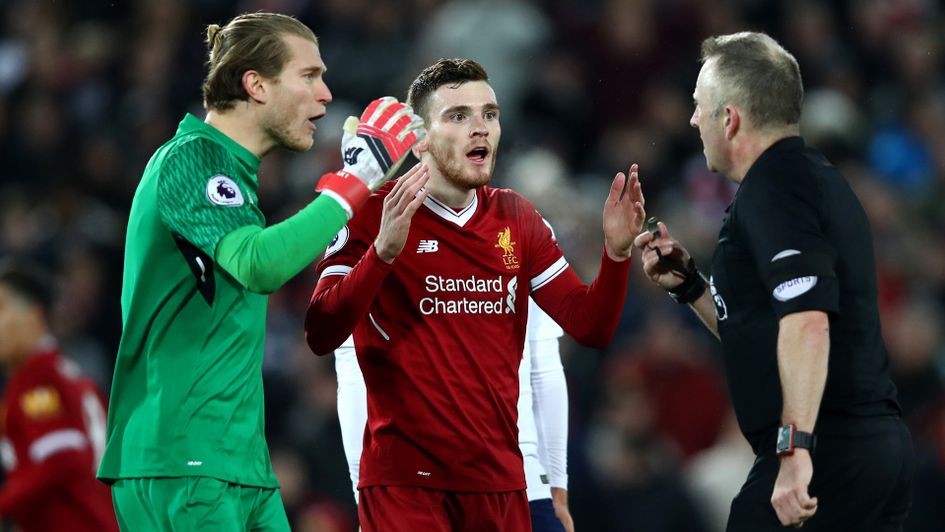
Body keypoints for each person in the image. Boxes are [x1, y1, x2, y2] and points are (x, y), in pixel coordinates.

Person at [96, 12, 424, 531]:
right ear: (256, 84)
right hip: (183, 460)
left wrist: (378, 196)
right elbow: (258, 264)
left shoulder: (236, 180)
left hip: (240, 464)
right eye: (309, 75)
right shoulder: (190, 158)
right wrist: (357, 177)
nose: (325, 95)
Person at [305, 58, 644, 531]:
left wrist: (615, 253)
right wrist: (381, 255)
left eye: (489, 113)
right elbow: (320, 329)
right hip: (407, 486)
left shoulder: (516, 217)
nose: (480, 129)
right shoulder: (373, 213)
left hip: (500, 487)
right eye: (458, 116)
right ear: (420, 138)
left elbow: (590, 326)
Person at [633, 31, 913, 531]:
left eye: (700, 107)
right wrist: (692, 286)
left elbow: (807, 321)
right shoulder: (816, 180)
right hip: (865, 450)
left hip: (827, 453)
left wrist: (795, 449)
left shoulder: (774, 190)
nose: (693, 120)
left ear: (730, 118)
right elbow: (770, 333)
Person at [334, 298, 573, 531]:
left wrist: (363, 497)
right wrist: (556, 485)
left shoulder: (369, 260)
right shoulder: (522, 258)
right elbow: (545, 369)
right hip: (437, 483)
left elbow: (353, 375)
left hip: (422, 488)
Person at [0, 260, 118, 532]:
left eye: (2, 308)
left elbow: (63, 458)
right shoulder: (67, 374)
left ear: (34, 318)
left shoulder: (37, 379)